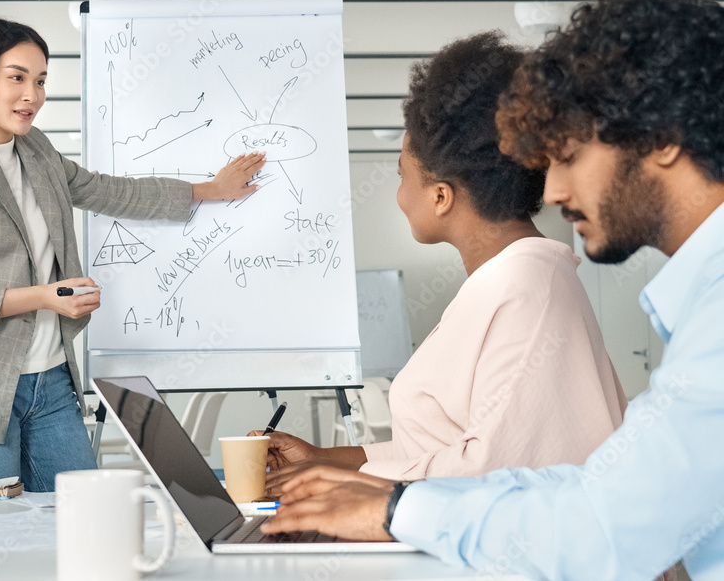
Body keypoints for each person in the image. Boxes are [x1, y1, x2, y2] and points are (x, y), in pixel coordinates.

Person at [261, 0, 724, 581]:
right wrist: (366, 486)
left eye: (570, 156)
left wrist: (391, 506)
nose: (553, 191)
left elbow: (601, 525)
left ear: (660, 139)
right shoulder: (698, 311)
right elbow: (586, 485)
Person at [255, 32, 625, 495]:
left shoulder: (526, 287)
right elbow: (444, 447)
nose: (399, 197)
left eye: (401, 176)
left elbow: (491, 469)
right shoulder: (503, 280)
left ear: (441, 196)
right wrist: (324, 460)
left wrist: (335, 481)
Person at [0, 18, 265, 491]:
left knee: (78, 518)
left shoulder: (37, 151)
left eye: (40, 80)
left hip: (50, 379)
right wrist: (44, 297)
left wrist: (208, 190)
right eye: (16, 77)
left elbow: (108, 191)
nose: (31, 94)